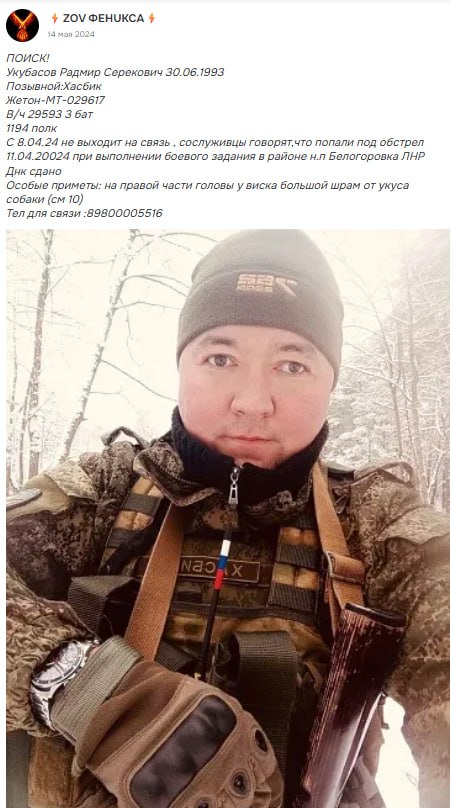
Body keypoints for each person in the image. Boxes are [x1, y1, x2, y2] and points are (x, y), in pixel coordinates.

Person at [6, 230, 449, 808]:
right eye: (221, 359)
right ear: (182, 365)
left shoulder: (374, 518)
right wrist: (88, 690)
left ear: (330, 381)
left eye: (292, 364)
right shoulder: (101, 494)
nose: (253, 401)